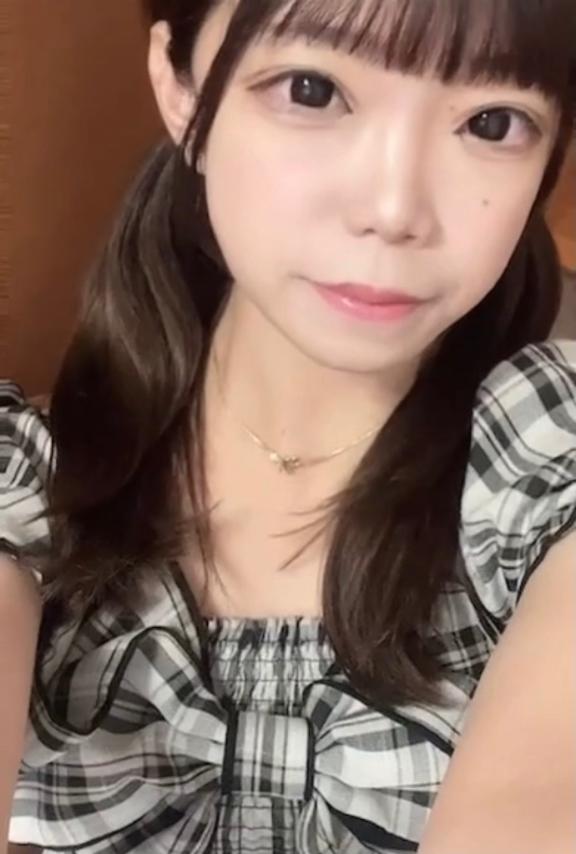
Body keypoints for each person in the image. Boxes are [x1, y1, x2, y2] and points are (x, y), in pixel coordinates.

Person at [1, 0, 575, 851]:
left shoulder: (550, 463)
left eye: (492, 122)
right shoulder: (25, 484)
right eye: (312, 89)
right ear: (182, 90)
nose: (394, 209)